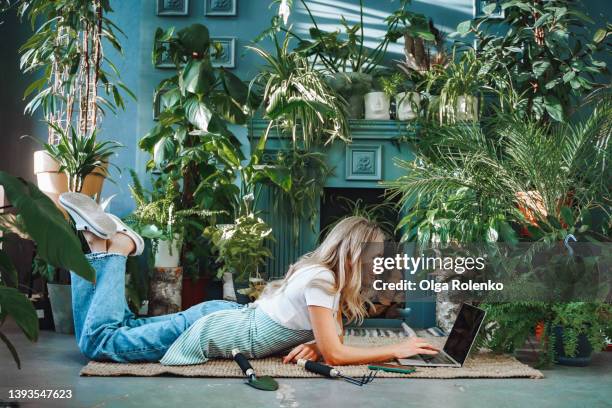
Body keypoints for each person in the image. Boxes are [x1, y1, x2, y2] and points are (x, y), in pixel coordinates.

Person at [61, 192, 439, 365]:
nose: (377, 269)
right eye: (375, 261)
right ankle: (117, 249)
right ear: (355, 256)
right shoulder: (322, 284)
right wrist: (397, 349)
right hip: (217, 328)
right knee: (101, 343)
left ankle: (95, 246)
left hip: (223, 317)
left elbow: (332, 341)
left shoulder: (322, 275)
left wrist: (319, 345)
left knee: (120, 327)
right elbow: (339, 352)